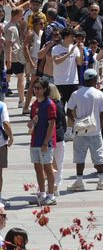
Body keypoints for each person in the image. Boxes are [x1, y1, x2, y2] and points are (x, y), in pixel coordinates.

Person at [65, 69, 103, 191]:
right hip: (95, 130)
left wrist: (75, 120)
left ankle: (79, 182)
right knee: (99, 156)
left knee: (79, 156)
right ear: (94, 79)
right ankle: (101, 181)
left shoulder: (76, 94)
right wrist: (100, 126)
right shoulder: (99, 94)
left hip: (80, 130)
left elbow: (68, 110)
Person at [28, 77, 57, 205]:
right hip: (35, 140)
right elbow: (33, 120)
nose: (36, 90)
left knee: (48, 168)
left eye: (39, 88)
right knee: (37, 167)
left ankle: (51, 195)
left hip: (45, 142)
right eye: (35, 88)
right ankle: (42, 193)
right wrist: (31, 123)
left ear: (45, 89)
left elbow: (51, 125)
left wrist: (46, 142)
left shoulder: (49, 104)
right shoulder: (34, 104)